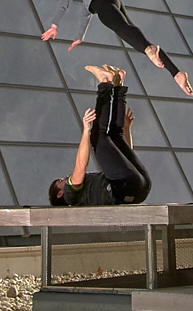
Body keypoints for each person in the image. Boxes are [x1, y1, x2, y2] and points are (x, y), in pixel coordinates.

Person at [41, 0, 193, 96]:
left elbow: (64, 0)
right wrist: (80, 36)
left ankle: (152, 51)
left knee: (126, 33)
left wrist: (54, 25)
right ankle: (176, 73)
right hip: (112, 2)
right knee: (135, 37)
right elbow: (86, 9)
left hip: (103, 5)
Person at [49, 65, 152, 206]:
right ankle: (105, 82)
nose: (66, 178)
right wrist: (86, 130)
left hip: (140, 188)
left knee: (116, 135)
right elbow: (80, 165)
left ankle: (118, 84)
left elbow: (123, 157)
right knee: (97, 137)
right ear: (60, 194)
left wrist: (126, 128)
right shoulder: (70, 195)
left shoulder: (94, 186)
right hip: (126, 186)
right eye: (61, 181)